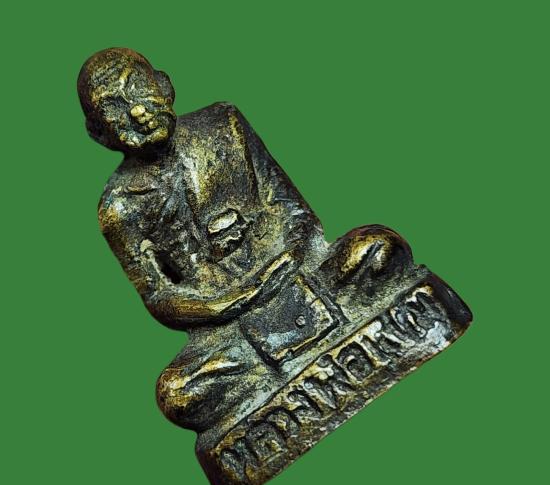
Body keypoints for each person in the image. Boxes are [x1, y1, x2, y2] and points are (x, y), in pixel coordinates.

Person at [78, 48, 414, 436]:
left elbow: (290, 208)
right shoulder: (119, 207)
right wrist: (223, 303)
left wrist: (288, 257)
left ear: (164, 85)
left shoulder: (224, 124)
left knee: (379, 249)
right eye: (115, 109)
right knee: (177, 395)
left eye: (139, 89)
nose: (137, 111)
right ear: (99, 134)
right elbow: (159, 297)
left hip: (298, 273)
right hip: (231, 327)